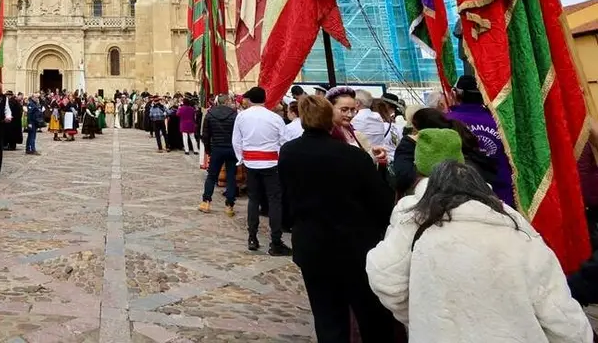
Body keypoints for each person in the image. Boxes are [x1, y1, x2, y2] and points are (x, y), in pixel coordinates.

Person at [367, 160, 591, 343]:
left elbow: (385, 279)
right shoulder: (518, 234)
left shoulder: (414, 228)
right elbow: (558, 313)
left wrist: (418, 315)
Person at [278, 96, 396, 343]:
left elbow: (286, 195)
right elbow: (381, 202)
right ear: (330, 120)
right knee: (370, 313)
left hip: (311, 242)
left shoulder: (289, 152)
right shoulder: (352, 156)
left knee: (327, 315)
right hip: (354, 245)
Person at [232, 87, 290, 255]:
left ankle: (252, 237)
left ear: (250, 100)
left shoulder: (242, 116)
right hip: (271, 162)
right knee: (274, 201)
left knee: (253, 200)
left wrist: (241, 159)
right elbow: (284, 141)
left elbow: (236, 140)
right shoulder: (275, 117)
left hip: (251, 162)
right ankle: (276, 241)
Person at [447, 74, 514, 206]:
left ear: (457, 94)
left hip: (462, 195)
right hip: (501, 193)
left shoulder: (447, 121)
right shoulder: (502, 120)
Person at [198, 94, 238, 216]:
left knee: (211, 176)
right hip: (231, 148)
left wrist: (208, 150)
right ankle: (229, 205)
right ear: (227, 102)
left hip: (216, 148)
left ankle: (206, 202)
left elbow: (205, 135)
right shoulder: (234, 114)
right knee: (231, 177)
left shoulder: (210, 114)